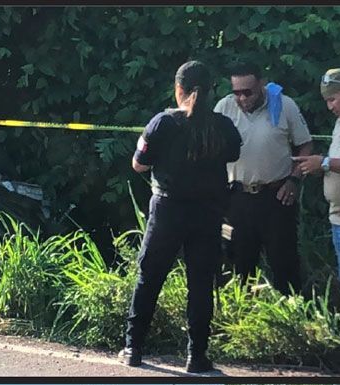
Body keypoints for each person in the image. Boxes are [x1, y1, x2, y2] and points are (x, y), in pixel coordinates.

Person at [120, 60, 242, 373]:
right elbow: (233, 155)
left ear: (179, 89)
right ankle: (196, 356)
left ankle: (133, 348)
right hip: (208, 212)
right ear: (212, 91)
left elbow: (139, 164)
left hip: (167, 210)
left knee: (149, 277)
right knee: (201, 284)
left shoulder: (163, 123)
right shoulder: (224, 127)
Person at [214, 62, 313, 295]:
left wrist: (294, 179)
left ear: (261, 84)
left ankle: (291, 317)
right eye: (236, 92)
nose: (242, 98)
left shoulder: (283, 105)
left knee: (284, 262)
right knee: (237, 261)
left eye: (247, 91)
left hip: (276, 196)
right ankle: (241, 318)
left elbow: (305, 145)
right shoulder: (224, 107)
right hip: (237, 197)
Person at [292, 68, 340, 279]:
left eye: (333, 99)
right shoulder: (339, 124)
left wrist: (325, 163)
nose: (329, 106)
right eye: (326, 101)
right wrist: (319, 167)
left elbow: (330, 163)